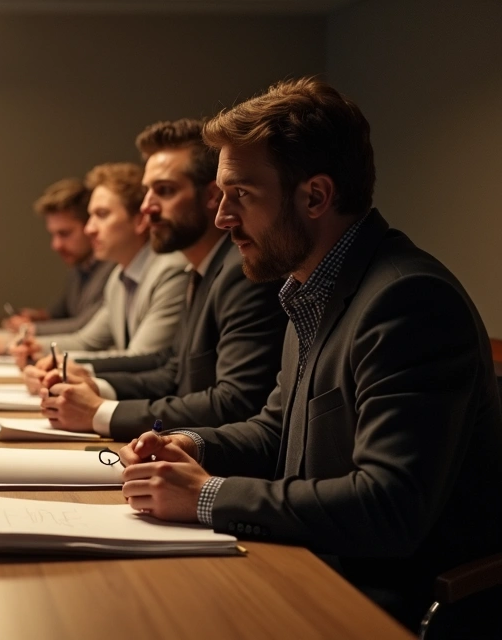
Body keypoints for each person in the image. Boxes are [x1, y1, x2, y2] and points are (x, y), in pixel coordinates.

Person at [117, 77, 502, 632]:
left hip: (377, 599)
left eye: (241, 195)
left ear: (316, 197)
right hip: (309, 562)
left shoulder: (408, 301)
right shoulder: (312, 284)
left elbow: (387, 506)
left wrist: (207, 495)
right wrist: (192, 443)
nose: (223, 218)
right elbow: (278, 430)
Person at [36, 119, 288, 440]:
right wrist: (93, 384)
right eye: (147, 192)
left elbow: (235, 402)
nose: (147, 208)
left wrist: (100, 412)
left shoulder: (241, 271)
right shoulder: (203, 269)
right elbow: (172, 370)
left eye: (165, 191)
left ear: (212, 196)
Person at [11, 163, 188, 362]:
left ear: (140, 221)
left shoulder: (170, 271)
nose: (90, 229)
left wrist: (65, 364)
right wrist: (35, 348)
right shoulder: (119, 277)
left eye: (102, 215)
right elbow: (85, 342)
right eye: (91, 216)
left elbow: (140, 359)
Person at [6, 178, 116, 334]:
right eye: (53, 235)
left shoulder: (114, 267)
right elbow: (59, 312)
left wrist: (29, 329)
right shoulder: (79, 267)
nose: (56, 245)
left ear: (90, 226)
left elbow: (87, 328)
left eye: (64, 234)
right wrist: (36, 317)